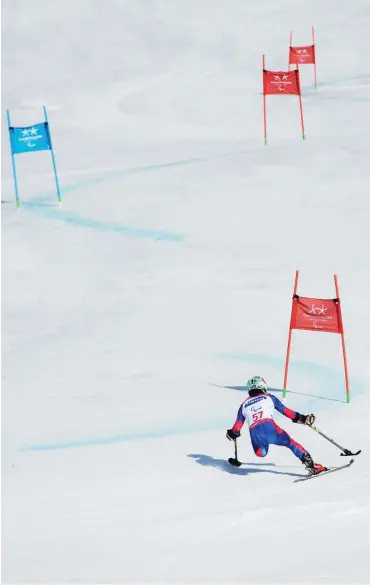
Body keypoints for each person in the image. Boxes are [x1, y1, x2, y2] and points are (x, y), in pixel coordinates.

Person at [226, 376, 326, 474]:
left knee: (261, 453)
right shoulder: (269, 397)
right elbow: (286, 411)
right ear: (262, 386)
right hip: (269, 427)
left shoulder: (244, 404)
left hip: (255, 433)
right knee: (290, 443)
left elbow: (236, 428)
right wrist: (302, 418)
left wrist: (232, 433)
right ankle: (312, 466)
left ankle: (262, 449)